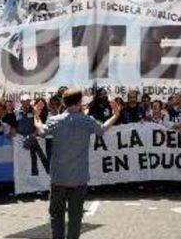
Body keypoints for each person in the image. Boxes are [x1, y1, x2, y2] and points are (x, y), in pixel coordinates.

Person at [32, 89, 121, 239]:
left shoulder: (55, 120)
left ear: (64, 103)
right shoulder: (87, 120)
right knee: (75, 217)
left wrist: (36, 114)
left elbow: (40, 129)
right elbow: (103, 129)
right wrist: (116, 114)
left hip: (59, 177)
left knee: (56, 215)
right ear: (79, 102)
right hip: (79, 178)